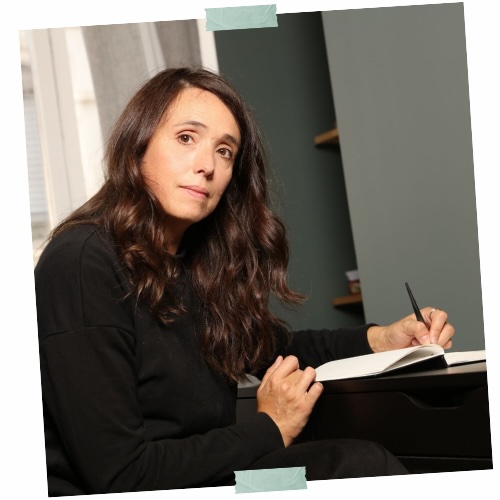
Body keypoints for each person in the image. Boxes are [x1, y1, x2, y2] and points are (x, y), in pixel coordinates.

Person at [35, 66, 455, 496]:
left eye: (224, 151)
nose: (206, 166)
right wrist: (269, 427)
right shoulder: (81, 263)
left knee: (356, 463)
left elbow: (275, 348)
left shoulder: (193, 263)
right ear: (137, 144)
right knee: (355, 467)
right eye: (186, 138)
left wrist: (381, 339)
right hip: (148, 487)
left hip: (219, 478)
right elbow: (119, 475)